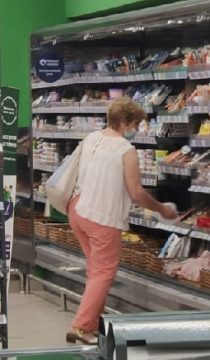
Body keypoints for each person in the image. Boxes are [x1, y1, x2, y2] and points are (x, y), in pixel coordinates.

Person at [65, 97, 177, 345]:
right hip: (101, 215)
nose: (136, 129)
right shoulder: (126, 150)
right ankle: (80, 327)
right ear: (124, 121)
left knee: (95, 272)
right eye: (135, 124)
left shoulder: (91, 138)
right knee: (104, 272)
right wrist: (162, 210)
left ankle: (93, 324)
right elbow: (136, 193)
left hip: (77, 210)